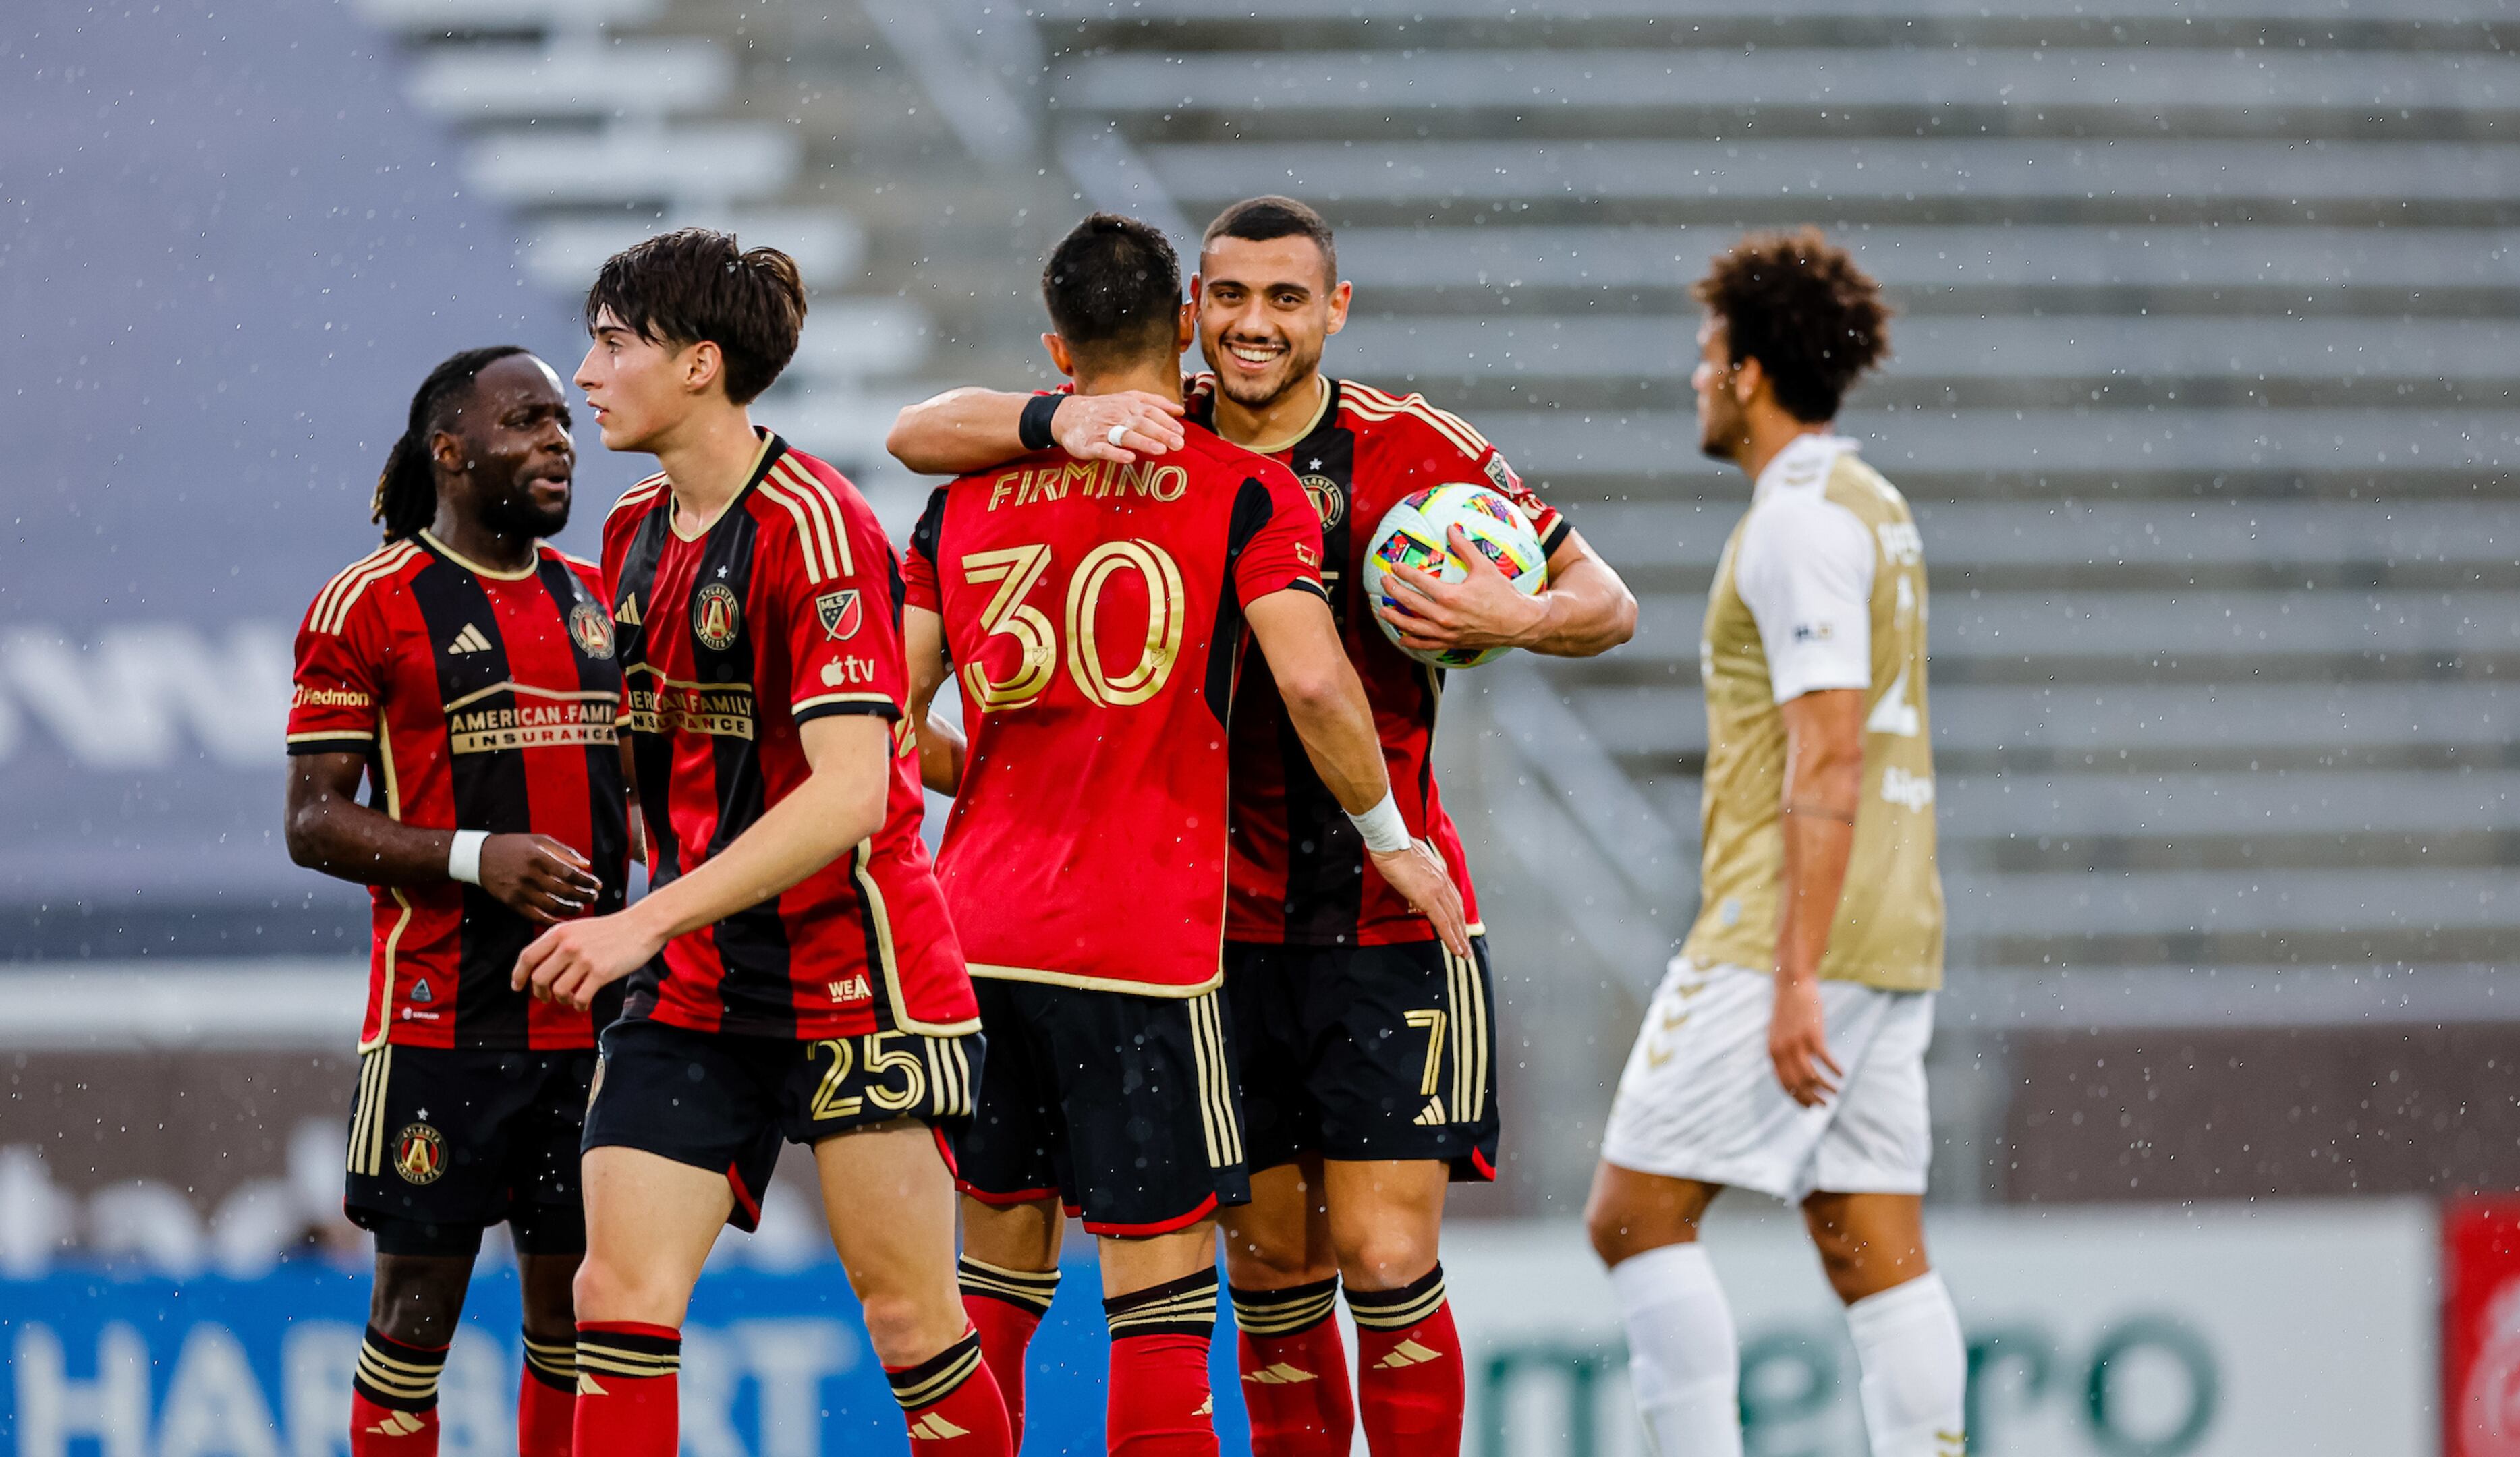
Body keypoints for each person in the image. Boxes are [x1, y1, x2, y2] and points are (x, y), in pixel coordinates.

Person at [885, 194, 1635, 1456]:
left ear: (1334, 311)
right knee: (1274, 1277)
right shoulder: (1140, 430)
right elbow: (922, 431)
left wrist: (1516, 618)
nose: (1253, 324)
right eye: (1229, 297)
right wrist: (1056, 414)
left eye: (1286, 299)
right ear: (1191, 314)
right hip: (1199, 938)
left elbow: (1604, 600)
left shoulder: (1413, 448)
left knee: (1389, 1256)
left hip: (1381, 915)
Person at [511, 228, 1011, 1456]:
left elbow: (850, 793)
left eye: (614, 344)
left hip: (858, 979)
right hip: (693, 989)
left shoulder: (819, 528)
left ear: (700, 365)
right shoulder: (630, 532)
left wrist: (639, 920)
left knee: (908, 1322)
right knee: (612, 1303)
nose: (585, 374)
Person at [1582, 229, 1963, 1457]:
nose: (1696, 380)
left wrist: (1793, 970)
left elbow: (1830, 749)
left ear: (1747, 373)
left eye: (1705, 358)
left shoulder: (1798, 523)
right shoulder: (1875, 502)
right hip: (1895, 922)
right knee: (1870, 1244)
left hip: (1783, 930)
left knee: (1634, 1217)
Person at [285, 345, 627, 1457]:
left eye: (564, 422)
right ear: (451, 450)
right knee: (412, 1325)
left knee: (576, 1321)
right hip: (442, 1026)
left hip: (588, 1029)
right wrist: (479, 856)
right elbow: (313, 821)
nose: (558, 442)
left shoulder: (594, 600)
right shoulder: (368, 604)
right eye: (526, 422)